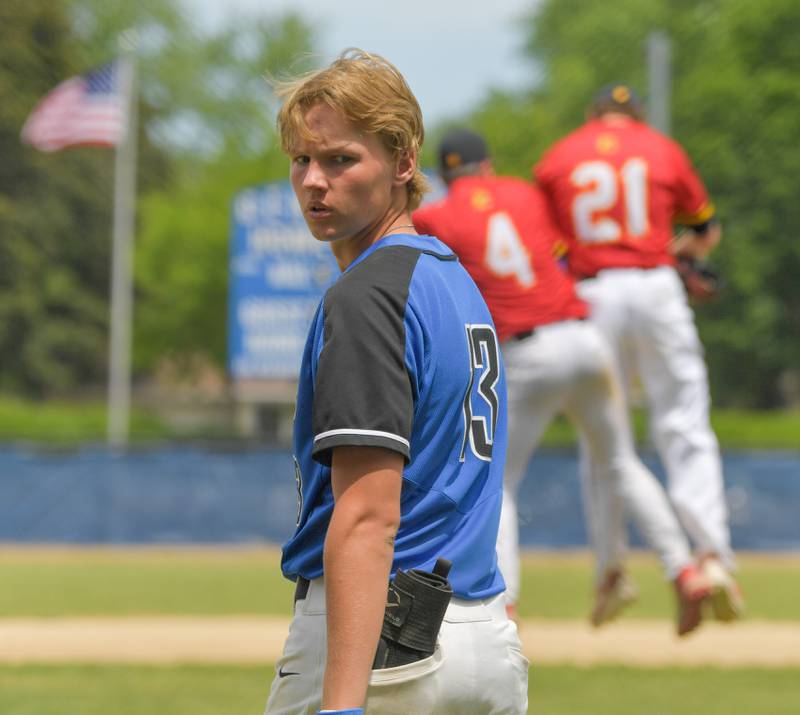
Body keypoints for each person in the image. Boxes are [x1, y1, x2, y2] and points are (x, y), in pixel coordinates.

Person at [264, 51, 527, 715]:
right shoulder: (455, 280)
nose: (315, 182)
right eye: (302, 160)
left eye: (342, 159)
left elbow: (367, 517)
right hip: (486, 640)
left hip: (386, 650)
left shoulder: (367, 294)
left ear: (405, 163)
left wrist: (344, 705)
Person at [413, 128, 712, 636]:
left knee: (500, 482)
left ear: (444, 174)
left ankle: (505, 604)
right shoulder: (524, 194)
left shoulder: (434, 216)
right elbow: (555, 255)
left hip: (527, 353)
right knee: (620, 462)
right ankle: (683, 569)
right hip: (583, 335)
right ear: (488, 165)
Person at [534, 83, 744, 624]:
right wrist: (677, 253)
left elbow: (548, 245)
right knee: (684, 421)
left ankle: (611, 569)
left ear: (593, 113)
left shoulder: (560, 156)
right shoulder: (661, 148)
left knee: (605, 437)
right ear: (636, 115)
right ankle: (712, 554)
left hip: (594, 292)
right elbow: (704, 230)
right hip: (655, 288)